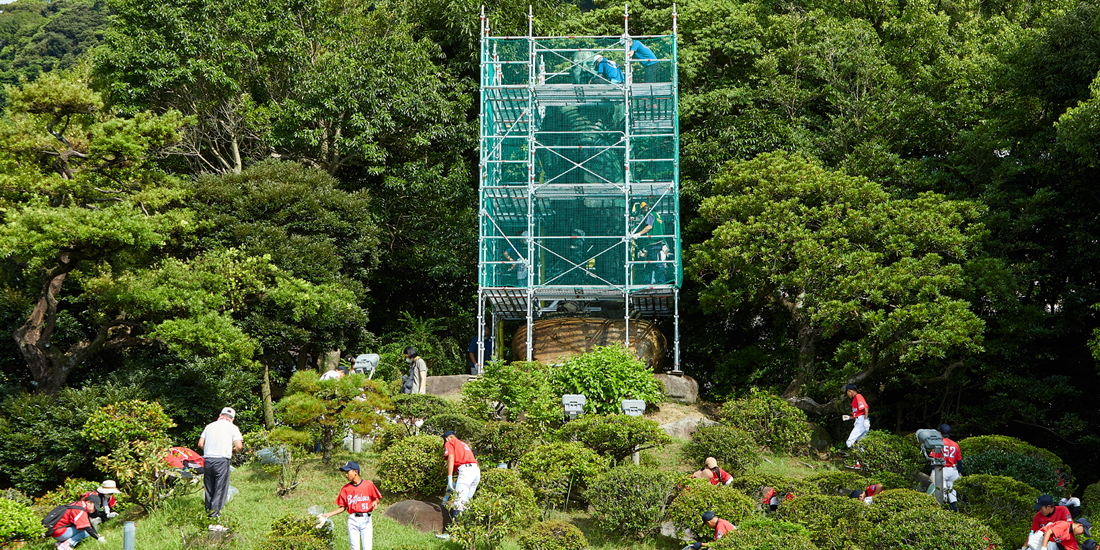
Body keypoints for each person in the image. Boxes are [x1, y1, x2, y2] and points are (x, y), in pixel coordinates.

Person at [317, 461, 382, 550]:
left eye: (348, 472)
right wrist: (328, 515)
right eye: (345, 472)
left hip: (366, 519)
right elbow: (342, 507)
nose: (346, 474)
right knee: (354, 548)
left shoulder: (368, 484)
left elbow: (377, 498)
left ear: (355, 472)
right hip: (353, 519)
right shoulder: (346, 489)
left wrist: (375, 502)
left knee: (367, 547)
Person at [198, 406, 243, 523]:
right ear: (232, 418)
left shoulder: (209, 426)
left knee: (209, 488)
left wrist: (208, 450)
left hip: (208, 459)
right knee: (220, 488)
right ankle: (214, 516)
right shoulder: (233, 428)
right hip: (222, 460)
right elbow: (239, 446)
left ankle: (208, 513)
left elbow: (200, 443)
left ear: (220, 415)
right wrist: (232, 451)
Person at [443, 430, 481, 520]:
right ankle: (466, 532)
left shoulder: (450, 442)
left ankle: (454, 533)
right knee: (466, 503)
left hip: (465, 470)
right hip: (476, 471)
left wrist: (449, 478)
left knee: (459, 502)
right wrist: (456, 482)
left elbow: (451, 458)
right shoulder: (464, 444)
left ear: (446, 438)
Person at [841, 383, 870, 469]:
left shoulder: (858, 396)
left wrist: (865, 420)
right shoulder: (855, 400)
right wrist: (849, 417)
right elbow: (858, 414)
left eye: (847, 393)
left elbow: (866, 408)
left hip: (862, 422)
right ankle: (865, 466)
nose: (847, 395)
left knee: (849, 442)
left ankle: (858, 463)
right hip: (861, 420)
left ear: (849, 391)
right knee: (861, 445)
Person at [937, 423, 962, 511]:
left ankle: (943, 513)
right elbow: (959, 461)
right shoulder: (955, 444)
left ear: (940, 433)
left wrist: (932, 471)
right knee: (952, 493)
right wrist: (960, 473)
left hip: (943, 470)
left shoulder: (939, 443)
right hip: (953, 470)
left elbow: (934, 458)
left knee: (942, 493)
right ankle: (955, 512)